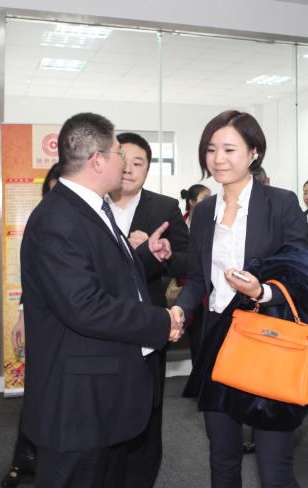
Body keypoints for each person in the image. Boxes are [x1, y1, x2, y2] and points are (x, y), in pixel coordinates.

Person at [20, 112, 183, 488]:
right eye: (118, 153)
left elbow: (106, 275)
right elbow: (84, 306)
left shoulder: (91, 208)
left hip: (102, 398)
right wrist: (161, 321)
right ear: (97, 160)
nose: (123, 163)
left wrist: (145, 257)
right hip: (76, 406)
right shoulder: (58, 218)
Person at [172, 110, 308, 487]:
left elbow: (303, 274)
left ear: (253, 152)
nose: (218, 158)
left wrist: (262, 292)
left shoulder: (281, 203)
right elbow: (199, 279)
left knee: (274, 465)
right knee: (222, 456)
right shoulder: (203, 212)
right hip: (218, 339)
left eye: (229, 149)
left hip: (269, 340)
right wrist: (180, 308)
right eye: (211, 149)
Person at [107, 132, 190, 488]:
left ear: (147, 169)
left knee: (147, 409)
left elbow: (189, 262)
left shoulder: (164, 208)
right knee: (105, 409)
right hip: (100, 325)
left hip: (148, 325)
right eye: (122, 160)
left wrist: (164, 253)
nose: (128, 169)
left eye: (137, 163)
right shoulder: (92, 203)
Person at [2, 162, 63, 488]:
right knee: (38, 391)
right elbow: (32, 276)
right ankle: (23, 457)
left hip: (73, 324)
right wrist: (23, 315)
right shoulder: (42, 222)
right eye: (53, 192)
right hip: (43, 321)